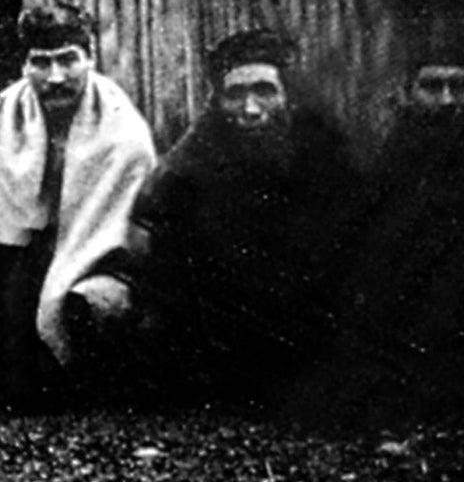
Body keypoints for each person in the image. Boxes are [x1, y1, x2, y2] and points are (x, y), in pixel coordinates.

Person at [117, 27, 361, 407]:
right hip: (222, 335)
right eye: (235, 95)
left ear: (287, 95)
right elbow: (154, 240)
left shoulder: (324, 151)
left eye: (264, 91)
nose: (250, 109)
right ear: (218, 101)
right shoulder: (194, 158)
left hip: (306, 327)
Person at [323, 34, 464, 447]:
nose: (446, 101)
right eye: (431, 87)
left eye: (460, 85)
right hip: (400, 388)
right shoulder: (385, 177)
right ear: (408, 94)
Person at [0, 3, 154, 409]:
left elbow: (124, 234)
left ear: (91, 59)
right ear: (24, 66)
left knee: (91, 304)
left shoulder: (123, 129)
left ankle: (83, 386)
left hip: (97, 259)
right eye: (41, 63)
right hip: (22, 252)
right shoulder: (1, 114)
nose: (55, 77)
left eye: (68, 61)